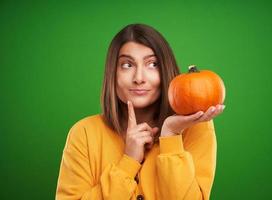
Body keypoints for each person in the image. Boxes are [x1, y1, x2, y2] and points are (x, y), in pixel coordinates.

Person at [55, 23, 225, 200]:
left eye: (152, 64)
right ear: (112, 73)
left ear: (166, 70)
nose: (139, 78)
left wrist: (171, 137)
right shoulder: (84, 133)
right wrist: (128, 162)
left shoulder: (197, 128)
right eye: (127, 65)